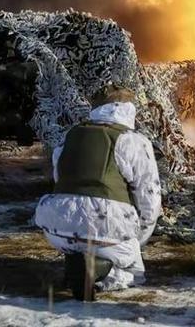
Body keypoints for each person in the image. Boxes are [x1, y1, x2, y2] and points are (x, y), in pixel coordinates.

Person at [34, 85, 162, 300]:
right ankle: (98, 273)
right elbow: (149, 193)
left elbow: (60, 180)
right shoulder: (133, 141)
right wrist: (138, 238)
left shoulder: (70, 136)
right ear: (129, 109)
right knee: (133, 270)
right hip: (107, 230)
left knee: (81, 242)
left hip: (56, 228)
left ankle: (76, 263)